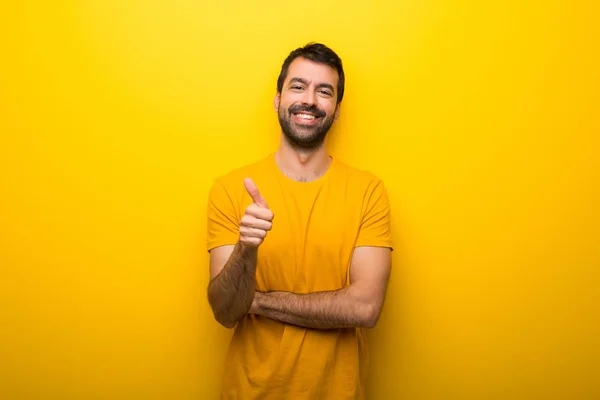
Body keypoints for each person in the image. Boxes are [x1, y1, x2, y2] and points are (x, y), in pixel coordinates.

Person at [206, 42, 393, 399]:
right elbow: (226, 311)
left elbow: (365, 307)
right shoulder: (231, 189)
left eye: (324, 91)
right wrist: (246, 249)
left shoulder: (369, 191)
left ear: (336, 110)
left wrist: (260, 302)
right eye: (298, 86)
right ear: (278, 99)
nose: (309, 100)